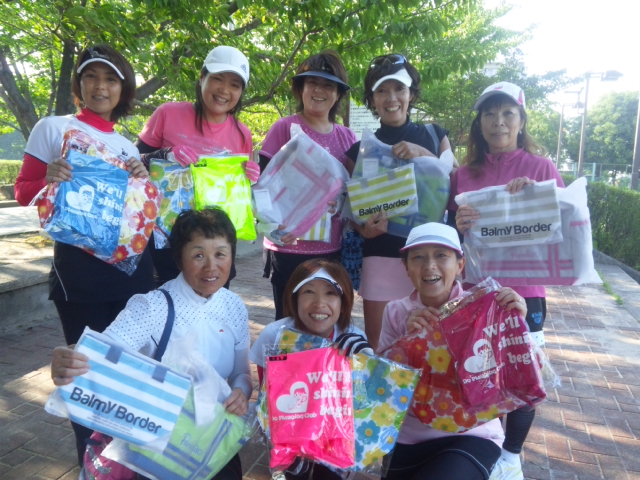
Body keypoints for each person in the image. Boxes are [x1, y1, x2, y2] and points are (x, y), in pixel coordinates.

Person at [14, 44, 155, 464]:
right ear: (79, 83)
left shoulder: (128, 146)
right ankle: (92, 466)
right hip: (79, 278)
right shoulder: (53, 128)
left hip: (131, 276)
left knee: (128, 378)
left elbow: (137, 216)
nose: (100, 86)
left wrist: (142, 178)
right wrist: (49, 177)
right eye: (91, 76)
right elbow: (23, 192)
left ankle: (127, 464)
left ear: (123, 89)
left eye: (111, 79)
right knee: (86, 380)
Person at [51, 208, 252, 479]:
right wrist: (69, 359)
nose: (210, 267)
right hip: (158, 444)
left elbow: (241, 372)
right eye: (198, 255)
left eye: (220, 254)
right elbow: (102, 351)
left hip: (212, 439)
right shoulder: (153, 307)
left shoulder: (234, 306)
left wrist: (240, 391)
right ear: (179, 259)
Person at [448, 81, 565, 480]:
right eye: (489, 114)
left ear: (521, 120)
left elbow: (567, 226)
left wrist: (539, 200)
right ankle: (485, 445)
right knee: (478, 371)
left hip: (526, 293)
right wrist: (457, 223)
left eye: (507, 113)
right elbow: (450, 236)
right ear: (480, 123)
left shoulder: (541, 169)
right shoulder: (463, 174)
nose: (498, 121)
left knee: (522, 374)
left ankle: (511, 456)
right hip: (474, 291)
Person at [377, 222, 527, 480]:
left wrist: (516, 326)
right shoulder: (396, 312)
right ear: (406, 267)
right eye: (418, 257)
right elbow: (382, 384)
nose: (429, 265)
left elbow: (515, 375)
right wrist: (406, 343)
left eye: (441, 255)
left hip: (472, 434)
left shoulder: (485, 307)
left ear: (460, 265)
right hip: (408, 436)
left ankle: (503, 465)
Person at [345, 53, 455, 351]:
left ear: (411, 95)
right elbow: (350, 208)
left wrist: (423, 153)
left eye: (399, 89)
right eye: (381, 90)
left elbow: (456, 182)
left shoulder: (434, 135)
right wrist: (364, 229)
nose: (391, 98)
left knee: (435, 345)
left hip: (430, 258)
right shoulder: (359, 150)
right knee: (382, 346)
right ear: (372, 99)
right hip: (381, 255)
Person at [135, 45, 257, 287]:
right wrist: (164, 155)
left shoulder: (242, 133)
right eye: (217, 79)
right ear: (202, 78)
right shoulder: (168, 113)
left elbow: (234, 194)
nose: (224, 90)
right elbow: (133, 164)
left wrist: (249, 180)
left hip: (214, 246)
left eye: (235, 85)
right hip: (166, 243)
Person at [258, 51, 357, 320]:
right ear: (300, 88)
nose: (319, 90)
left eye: (328, 85)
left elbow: (354, 192)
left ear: (338, 94)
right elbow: (262, 186)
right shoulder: (284, 128)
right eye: (312, 82)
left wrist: (341, 203)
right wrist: (272, 227)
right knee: (288, 321)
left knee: (324, 320)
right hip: (287, 249)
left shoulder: (347, 137)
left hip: (330, 251)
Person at [250, 258, 369, 480]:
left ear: (344, 302)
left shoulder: (353, 338)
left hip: (336, 439)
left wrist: (366, 360)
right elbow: (267, 397)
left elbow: (362, 402)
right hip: (290, 437)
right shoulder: (275, 336)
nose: (319, 303)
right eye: (308, 292)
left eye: (330, 293)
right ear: (294, 298)